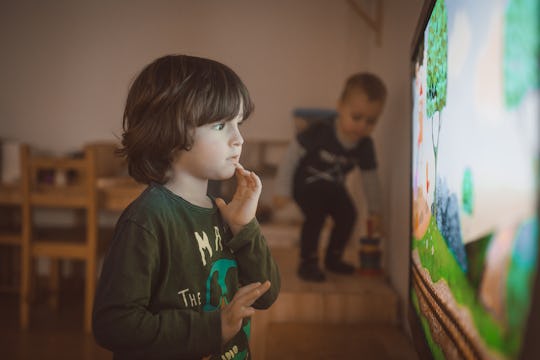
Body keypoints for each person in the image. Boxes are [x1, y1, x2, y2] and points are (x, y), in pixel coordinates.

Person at [92, 54, 280, 360]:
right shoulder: (148, 219)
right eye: (221, 125)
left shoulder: (222, 213)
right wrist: (214, 328)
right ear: (171, 131)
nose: (239, 139)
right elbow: (113, 325)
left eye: (239, 123)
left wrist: (245, 227)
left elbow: (266, 295)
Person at [273, 72, 386, 282]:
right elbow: (290, 157)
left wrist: (375, 210)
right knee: (316, 215)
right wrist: (282, 191)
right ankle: (308, 262)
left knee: (348, 214)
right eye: (356, 117)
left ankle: (333, 259)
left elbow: (370, 178)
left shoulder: (365, 145)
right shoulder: (320, 131)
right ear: (340, 107)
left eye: (371, 121)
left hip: (333, 187)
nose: (362, 126)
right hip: (306, 184)